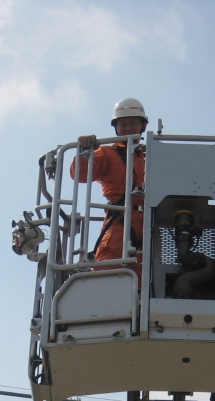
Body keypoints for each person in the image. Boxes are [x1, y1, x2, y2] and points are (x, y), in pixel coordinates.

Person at [70, 98, 148, 271]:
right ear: (116, 127)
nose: (128, 128)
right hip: (120, 219)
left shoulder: (151, 155)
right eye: (123, 124)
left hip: (153, 221)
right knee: (108, 267)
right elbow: (80, 175)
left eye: (133, 123)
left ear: (143, 126)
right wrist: (85, 152)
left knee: (152, 273)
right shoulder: (106, 152)